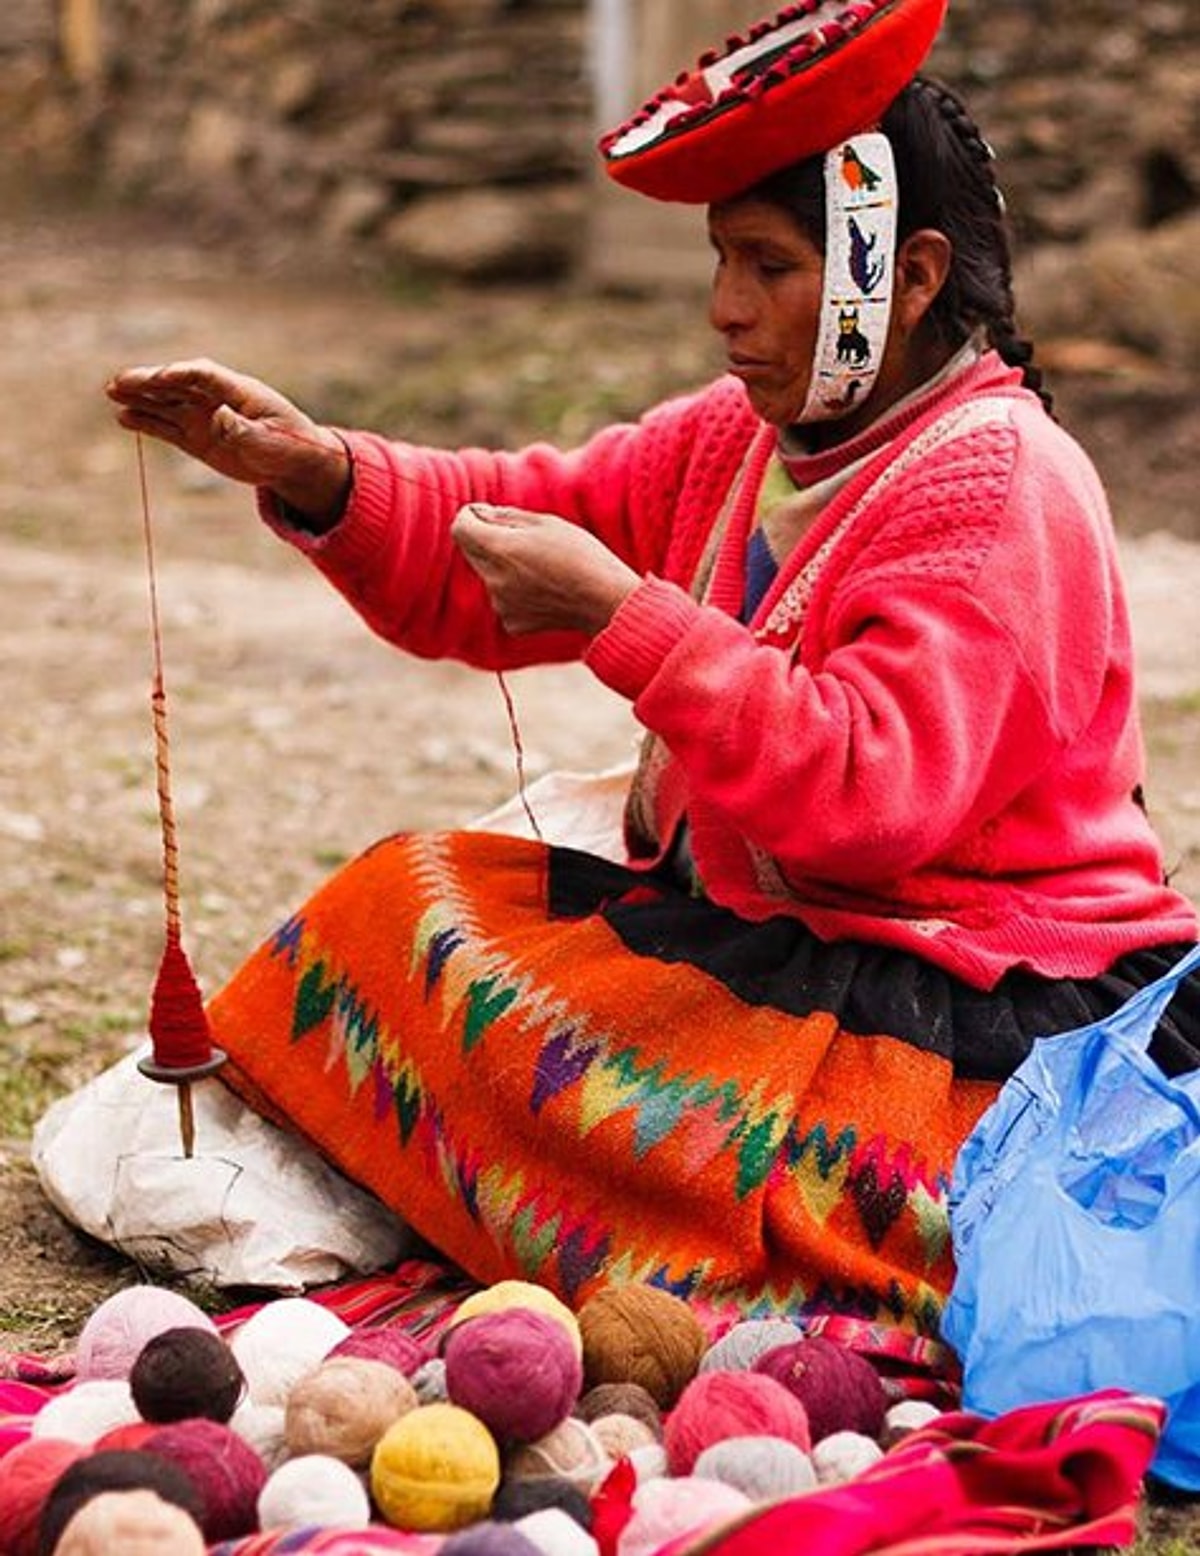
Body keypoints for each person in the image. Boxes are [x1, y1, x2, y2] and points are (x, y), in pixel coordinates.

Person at [106, 3, 1200, 1342]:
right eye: (719, 259)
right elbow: (519, 507)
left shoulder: (1002, 487)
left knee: (789, 1165)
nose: (724, 310)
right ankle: (660, 1229)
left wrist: (629, 619)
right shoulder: (742, 436)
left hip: (972, 1017)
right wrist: (318, 470)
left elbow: (869, 795)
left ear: (907, 276)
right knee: (395, 916)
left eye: (769, 265)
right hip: (783, 952)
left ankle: (785, 1244)